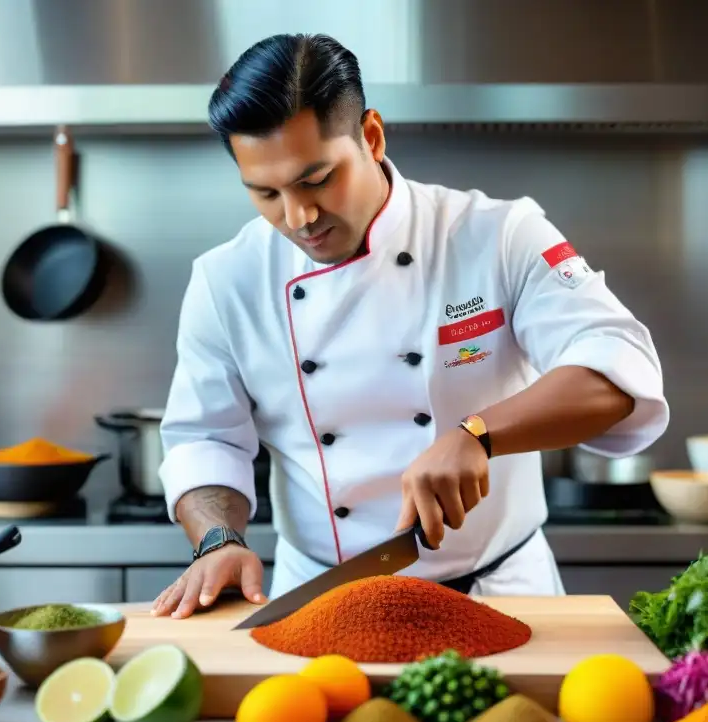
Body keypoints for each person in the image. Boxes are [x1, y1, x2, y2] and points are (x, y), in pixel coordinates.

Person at [152, 33, 670, 619]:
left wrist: (479, 433)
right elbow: (204, 439)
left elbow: (620, 371)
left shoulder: (497, 236)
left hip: (503, 593)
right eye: (265, 193)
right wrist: (219, 539)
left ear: (370, 137)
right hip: (324, 599)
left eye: (316, 179)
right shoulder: (227, 281)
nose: (298, 217)